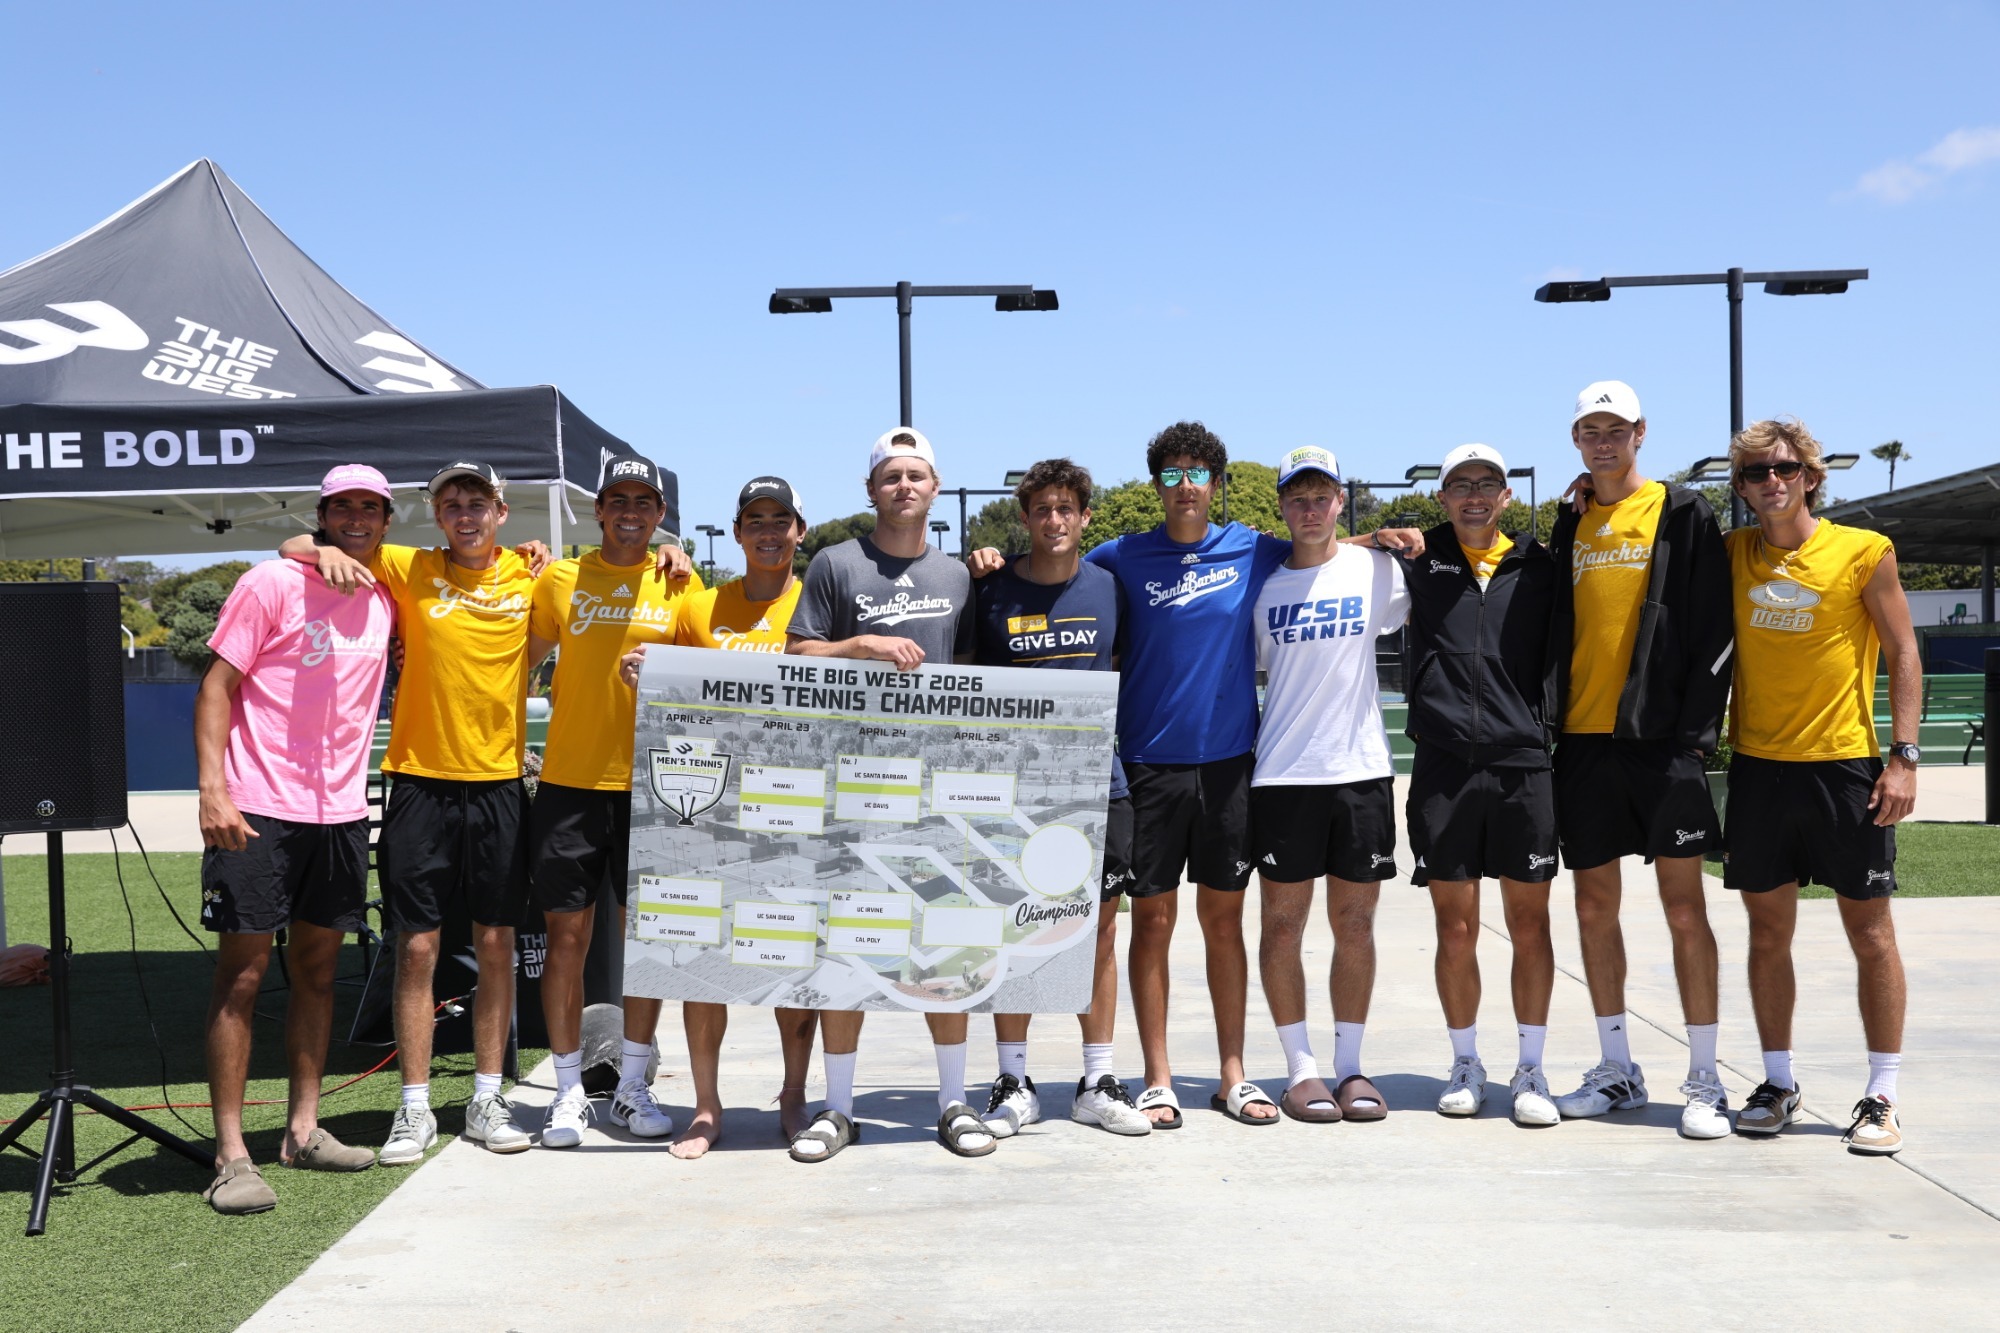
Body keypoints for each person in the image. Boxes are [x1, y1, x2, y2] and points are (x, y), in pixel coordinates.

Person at [282, 462, 545, 1163]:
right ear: (435, 513)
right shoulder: (408, 564)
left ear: (501, 510)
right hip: (418, 785)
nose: (466, 515)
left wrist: (671, 552)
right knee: (418, 947)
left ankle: (487, 1097)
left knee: (496, 947)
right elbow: (291, 549)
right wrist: (328, 547)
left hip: (498, 786)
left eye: (478, 503)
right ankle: (415, 1106)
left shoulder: (532, 575)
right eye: (452, 503)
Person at [194, 465, 396, 1214]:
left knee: (318, 972)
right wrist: (213, 789)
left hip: (340, 812)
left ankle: (303, 1129)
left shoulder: (383, 592)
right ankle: (231, 1153)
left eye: (369, 508)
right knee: (242, 978)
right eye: (341, 507)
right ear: (322, 515)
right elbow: (216, 686)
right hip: (257, 806)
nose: (356, 518)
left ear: (384, 518)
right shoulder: (270, 582)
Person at [784, 428, 987, 1161]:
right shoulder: (836, 564)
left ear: (935, 487)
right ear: (871, 489)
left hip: (936, 793)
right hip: (851, 788)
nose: (904, 485)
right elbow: (797, 653)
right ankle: (836, 1108)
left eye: (917, 474)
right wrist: (858, 645)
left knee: (947, 948)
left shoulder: (960, 574)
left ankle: (955, 1100)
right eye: (891, 475)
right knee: (847, 952)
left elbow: (973, 675)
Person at [1721, 419, 1918, 1154]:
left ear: (1809, 474)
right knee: (1769, 932)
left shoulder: (1864, 552)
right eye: (1753, 474)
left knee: (1870, 934)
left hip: (1844, 769)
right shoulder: (1733, 552)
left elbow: (1903, 648)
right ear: (1740, 489)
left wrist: (1903, 757)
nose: (1769, 482)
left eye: (1782, 468)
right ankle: (1778, 1082)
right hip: (1758, 769)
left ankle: (1882, 1093)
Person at [1547, 382, 1736, 1139]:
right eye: (1590, 429)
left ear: (1640, 433)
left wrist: (1695, 737)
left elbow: (1716, 629)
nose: (1603, 441)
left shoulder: (1682, 511)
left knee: (1685, 910)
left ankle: (1705, 1077)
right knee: (1595, 906)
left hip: (1663, 746)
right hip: (1585, 745)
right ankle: (1618, 1067)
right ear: (1577, 439)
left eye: (1615, 429)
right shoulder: (1571, 519)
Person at [617, 475, 824, 1159]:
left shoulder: (820, 604)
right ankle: (707, 1106)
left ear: (799, 530)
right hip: (707, 814)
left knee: (795, 961)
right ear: (737, 532)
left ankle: (794, 1096)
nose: (768, 530)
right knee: (703, 960)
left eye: (780, 519)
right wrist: (636, 671)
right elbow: (662, 677)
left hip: (797, 809)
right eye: (754, 519)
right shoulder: (699, 608)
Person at [971, 458, 1152, 1138]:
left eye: (1065, 509)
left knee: (1099, 934)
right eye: (1041, 509)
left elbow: (1129, 668)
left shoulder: (1109, 587)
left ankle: (1096, 1079)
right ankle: (1014, 1080)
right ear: (1025, 518)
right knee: (1012, 935)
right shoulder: (987, 589)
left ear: (1084, 517)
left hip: (1099, 787)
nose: (1053, 520)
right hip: (1015, 794)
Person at [526, 458, 702, 1150]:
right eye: (618, 499)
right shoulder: (560, 579)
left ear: (661, 514)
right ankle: (568, 1090)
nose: (631, 510)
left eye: (646, 501)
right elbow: (521, 661)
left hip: (655, 785)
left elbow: (706, 683)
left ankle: (632, 1083)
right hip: (569, 783)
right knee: (566, 942)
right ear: (597, 510)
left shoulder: (682, 587)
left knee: (647, 943)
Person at [1394, 444, 1562, 1127]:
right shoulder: (1418, 557)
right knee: (1455, 927)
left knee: (1530, 923)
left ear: (1507, 495)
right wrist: (1377, 534)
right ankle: (1465, 1061)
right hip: (1443, 766)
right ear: (1441, 498)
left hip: (1524, 762)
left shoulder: (1543, 564)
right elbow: (1319, 542)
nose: (1473, 494)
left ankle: (1531, 1067)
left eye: (1486, 483)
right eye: (1459, 484)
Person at [1248, 446, 1409, 1125]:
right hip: (1284, 775)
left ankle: (1349, 1066)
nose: (1310, 508)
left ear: (1341, 502)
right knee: (1283, 926)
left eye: (1323, 496)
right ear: (1281, 506)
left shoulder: (1380, 572)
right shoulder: (1261, 587)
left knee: (1355, 923)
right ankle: (1301, 1068)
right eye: (1298, 497)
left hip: (1362, 772)